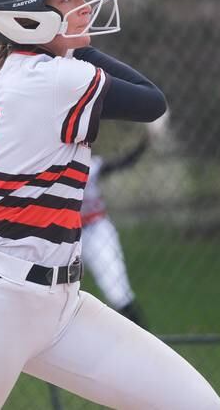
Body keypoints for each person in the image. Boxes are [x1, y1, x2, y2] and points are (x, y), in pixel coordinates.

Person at [0, 0, 220, 410]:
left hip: (61, 306)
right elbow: (151, 100)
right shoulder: (62, 79)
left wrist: (48, 47)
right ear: (28, 18)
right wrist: (77, 50)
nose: (83, 8)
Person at [80, 134, 150, 328]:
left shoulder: (91, 166)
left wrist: (147, 140)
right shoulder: (49, 165)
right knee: (55, 291)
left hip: (95, 231)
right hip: (64, 234)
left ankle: (141, 340)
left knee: (116, 291)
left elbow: (125, 162)